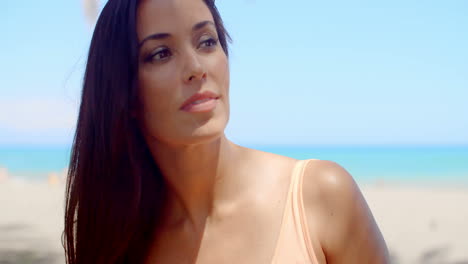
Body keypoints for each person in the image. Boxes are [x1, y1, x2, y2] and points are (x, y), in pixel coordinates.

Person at [63, 0, 389, 263]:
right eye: (161, 54)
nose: (196, 68)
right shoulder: (120, 241)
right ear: (124, 92)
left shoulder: (320, 196)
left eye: (207, 41)